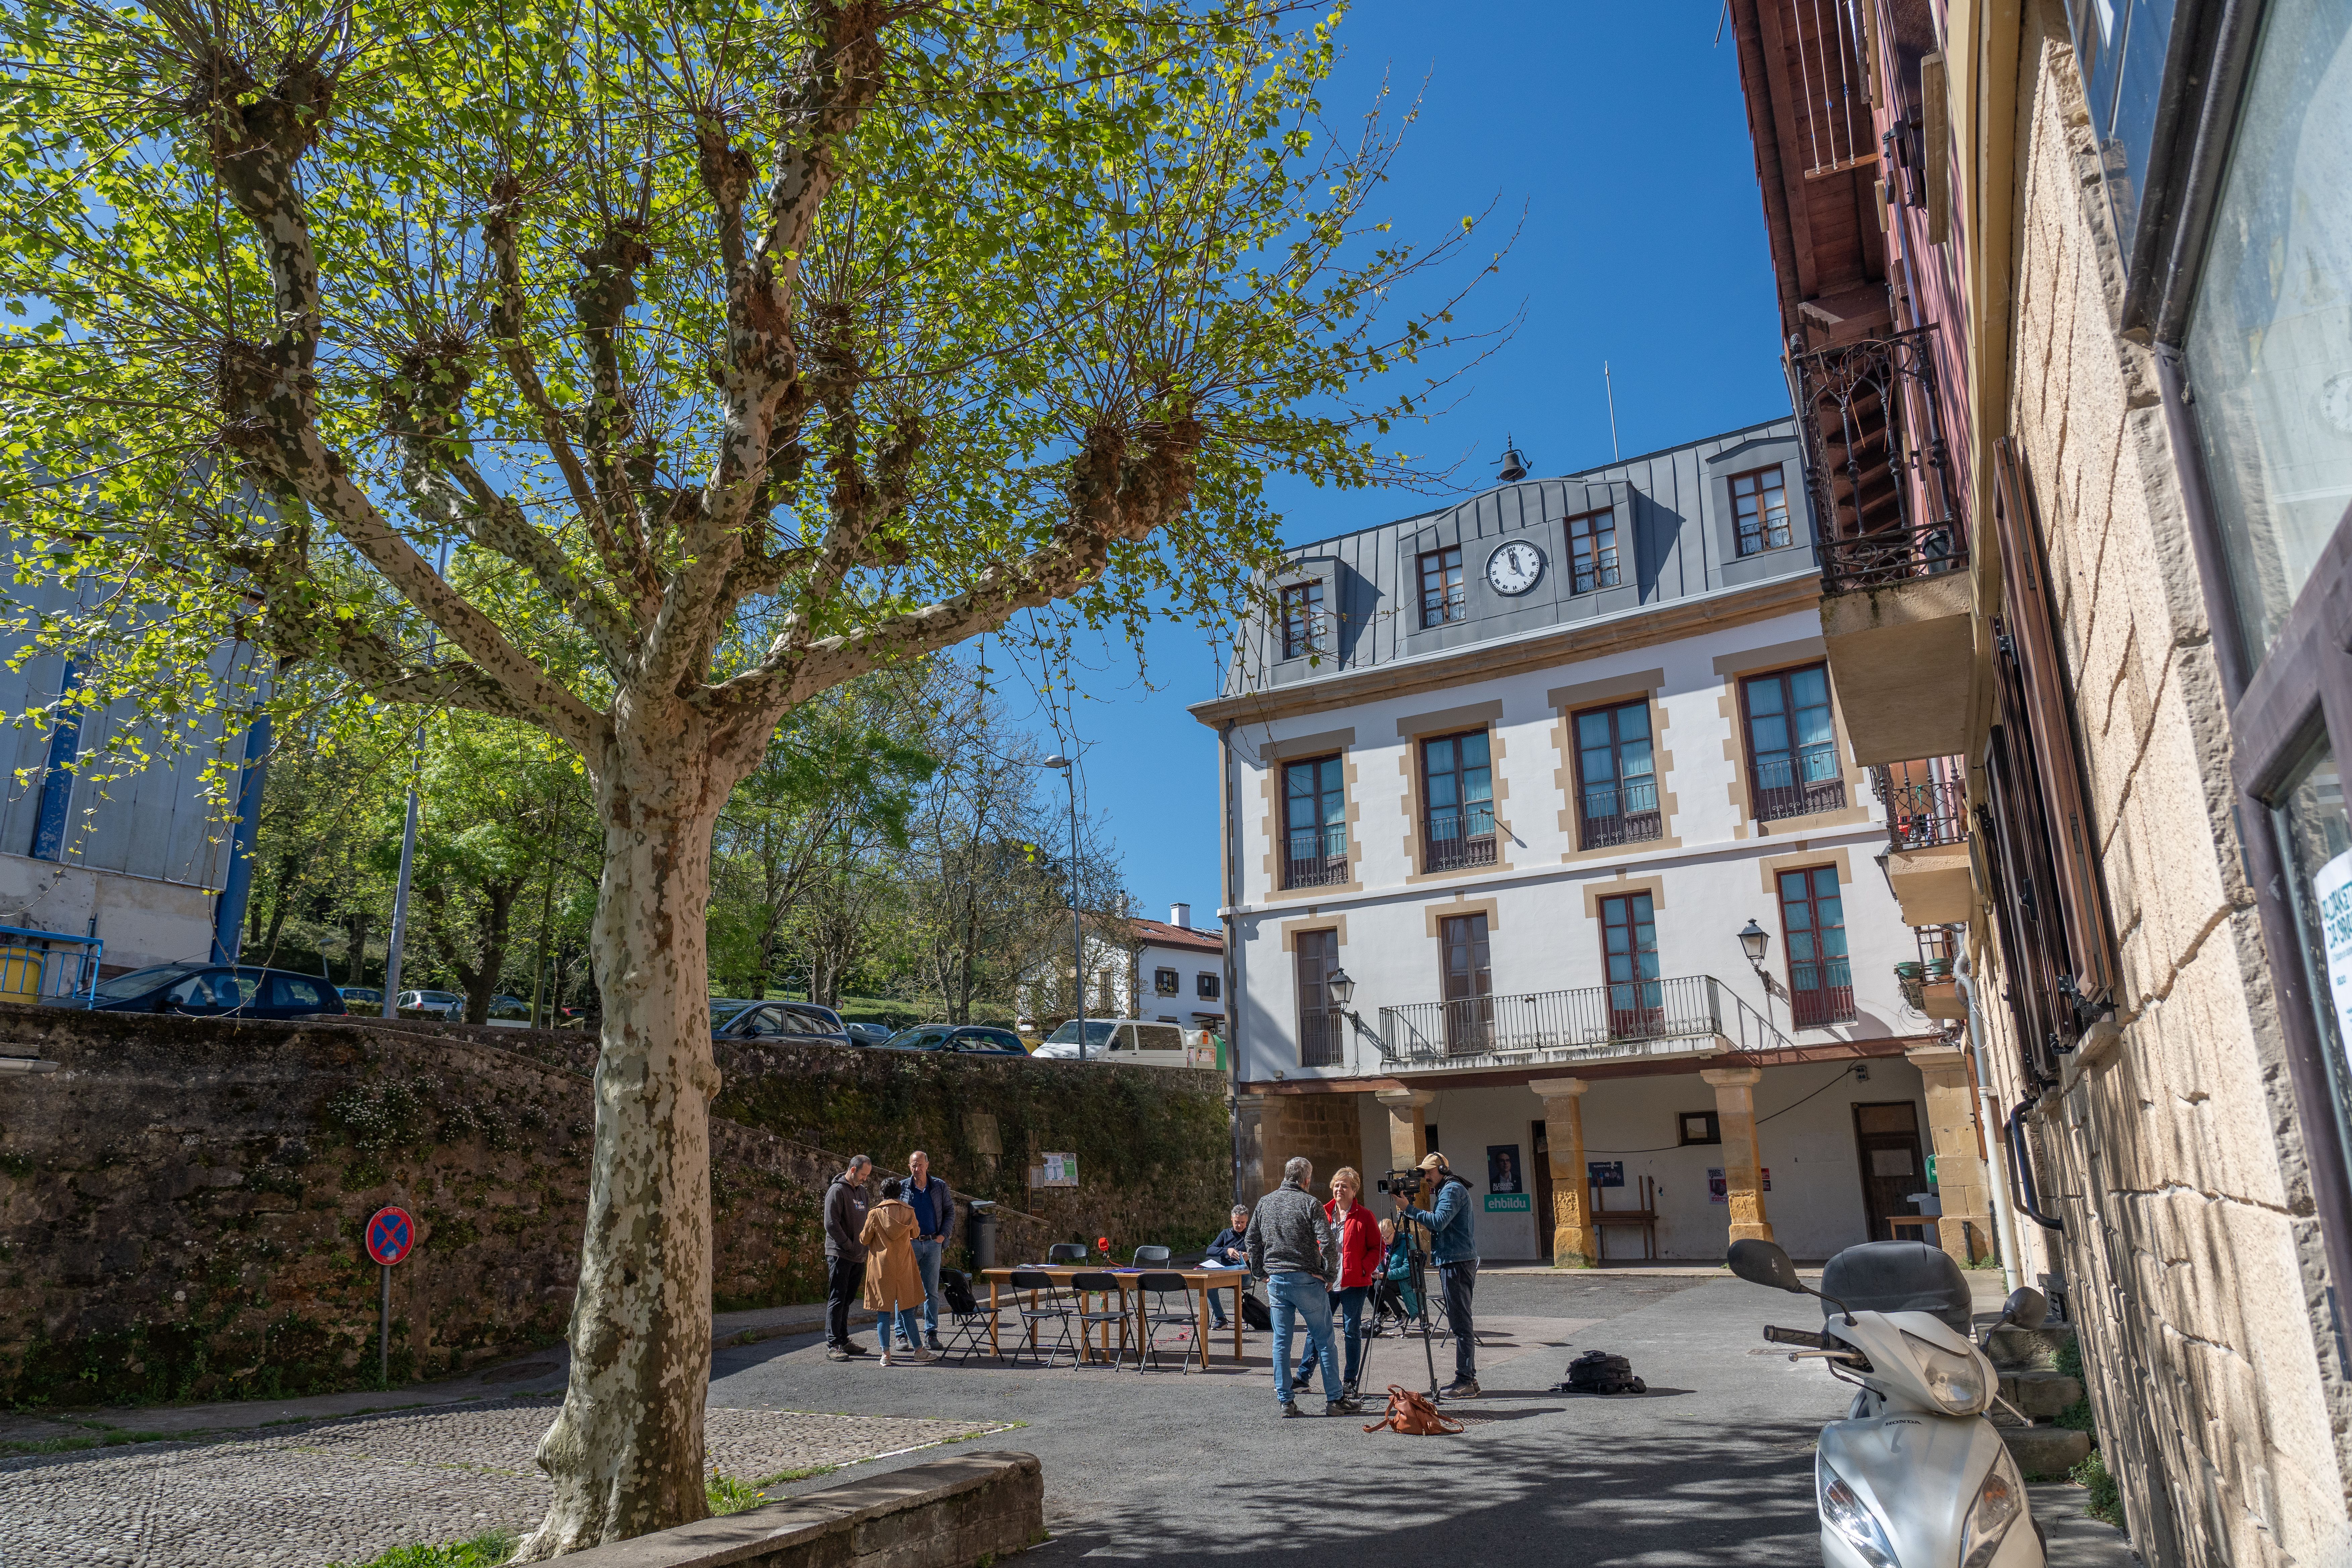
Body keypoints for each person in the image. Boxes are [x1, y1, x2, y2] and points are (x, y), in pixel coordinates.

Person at [1245, 1156, 1360, 1419]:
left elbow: (1252, 1241)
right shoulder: (1311, 1204)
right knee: (1324, 1340)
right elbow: (1329, 1242)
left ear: (1286, 1176)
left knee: (1281, 1342)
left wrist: (1260, 1272)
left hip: (1277, 1280)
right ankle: (1335, 1399)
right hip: (1307, 1279)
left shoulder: (1265, 1203)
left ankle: (1286, 1400)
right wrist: (1330, 1274)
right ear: (1307, 1180)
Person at [1293, 1166, 1382, 1400]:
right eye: (1336, 1185)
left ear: (1354, 1191)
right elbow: (1310, 1245)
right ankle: (1303, 1378)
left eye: (1345, 1186)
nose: (1339, 1189)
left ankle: (1350, 1381)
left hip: (1354, 1283)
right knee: (1317, 1330)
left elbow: (1378, 1248)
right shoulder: (1322, 1212)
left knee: (1352, 1331)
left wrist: (1365, 1267)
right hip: (1326, 1283)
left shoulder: (1365, 1216)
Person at [1399, 1150, 1479, 1399]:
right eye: (1424, 1173)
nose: (1426, 1178)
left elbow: (1439, 1221)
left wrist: (1408, 1209)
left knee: (1460, 1323)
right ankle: (1469, 1379)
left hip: (1456, 1262)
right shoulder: (1448, 1189)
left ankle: (1465, 1380)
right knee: (1460, 1320)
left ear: (1442, 1170)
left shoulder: (1452, 1190)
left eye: (1429, 1172)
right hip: (1454, 1260)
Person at [860, 1177, 932, 1365]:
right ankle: (919, 1350)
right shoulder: (909, 1211)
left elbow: (865, 1239)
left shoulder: (875, 1213)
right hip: (904, 1266)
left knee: (883, 1312)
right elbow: (916, 1234)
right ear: (900, 1193)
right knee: (907, 1311)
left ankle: (886, 1355)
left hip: (881, 1268)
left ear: (882, 1193)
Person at [903, 1150, 957, 1353]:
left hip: (934, 1243)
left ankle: (931, 1333)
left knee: (931, 1292)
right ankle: (902, 1335)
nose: (917, 1169)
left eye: (920, 1165)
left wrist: (943, 1235)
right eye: (914, 1166)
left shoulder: (939, 1186)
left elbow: (950, 1211)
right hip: (911, 1245)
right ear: (910, 1167)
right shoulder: (903, 1187)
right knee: (906, 1290)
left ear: (927, 1165)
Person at [823, 1155, 873, 1362]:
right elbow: (831, 1223)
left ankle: (844, 1340)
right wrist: (849, 1245)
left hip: (858, 1256)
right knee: (838, 1299)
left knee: (849, 1299)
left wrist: (864, 1247)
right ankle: (833, 1344)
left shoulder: (862, 1192)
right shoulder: (837, 1191)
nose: (865, 1179)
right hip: (840, 1254)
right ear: (853, 1170)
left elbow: (867, 1220)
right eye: (863, 1175)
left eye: (867, 1176)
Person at [1202, 1203, 1250, 1329]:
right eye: (1237, 1222)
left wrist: (1249, 1255)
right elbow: (1210, 1250)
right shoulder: (1225, 1234)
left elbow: (1262, 1252)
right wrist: (1226, 1251)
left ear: (1247, 1221)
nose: (1239, 1226)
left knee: (1242, 1269)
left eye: (1243, 1223)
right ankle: (1221, 1319)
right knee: (1209, 1286)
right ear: (1231, 1219)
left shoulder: (1251, 1235)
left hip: (1242, 1275)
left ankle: (1218, 1272)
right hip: (1223, 1274)